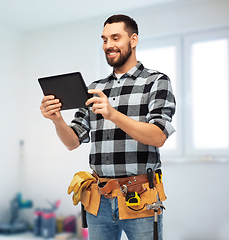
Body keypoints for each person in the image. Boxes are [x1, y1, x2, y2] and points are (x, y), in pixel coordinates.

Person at [40, 14, 176, 240]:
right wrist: (57, 119)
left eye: (115, 38)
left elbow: (158, 136)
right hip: (99, 199)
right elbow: (72, 142)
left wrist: (112, 113)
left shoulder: (156, 81)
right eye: (104, 40)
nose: (108, 45)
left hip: (140, 199)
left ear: (133, 40)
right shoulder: (95, 89)